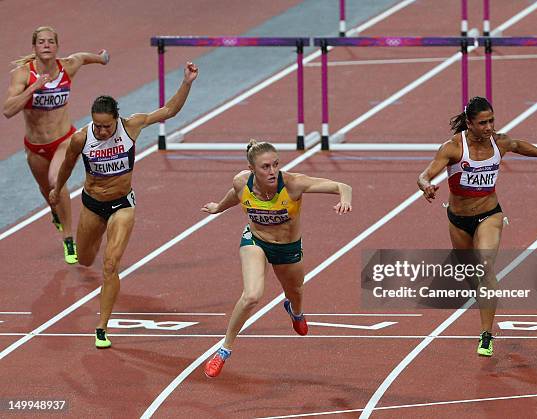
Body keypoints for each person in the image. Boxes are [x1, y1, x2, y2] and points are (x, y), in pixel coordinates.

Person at [49, 62, 199, 348]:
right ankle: (85, 257)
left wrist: (187, 83)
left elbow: (169, 111)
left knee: (110, 263)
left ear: (116, 119)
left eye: (107, 126)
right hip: (92, 204)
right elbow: (67, 167)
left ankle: (102, 327)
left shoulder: (132, 125)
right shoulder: (82, 138)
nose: (103, 131)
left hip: (122, 204)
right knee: (84, 258)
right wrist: (57, 191)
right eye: (98, 126)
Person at [417, 96, 537, 357]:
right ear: (470, 123)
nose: (489, 127)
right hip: (457, 219)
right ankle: (483, 297)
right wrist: (425, 186)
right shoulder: (453, 147)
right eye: (483, 123)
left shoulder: (499, 142)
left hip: (490, 214)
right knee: (471, 274)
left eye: (491, 121)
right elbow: (425, 174)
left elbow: (518, 145)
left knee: (485, 266)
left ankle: (486, 334)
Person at [201, 140, 352, 377]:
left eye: (275, 165)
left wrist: (345, 199)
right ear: (252, 169)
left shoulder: (293, 184)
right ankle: (224, 350)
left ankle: (296, 312)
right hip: (256, 241)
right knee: (251, 295)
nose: (272, 171)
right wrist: (218, 207)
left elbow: (342, 186)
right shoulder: (242, 181)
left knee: (295, 293)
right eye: (265, 167)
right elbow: (237, 194)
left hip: (287, 248)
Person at [3, 26, 110, 264]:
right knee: (48, 192)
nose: (46, 45)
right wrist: (33, 88)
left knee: (56, 182)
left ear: (57, 46)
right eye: (41, 42)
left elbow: (82, 58)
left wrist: (101, 59)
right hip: (35, 147)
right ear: (34, 47)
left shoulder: (66, 67)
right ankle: (55, 212)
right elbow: (8, 110)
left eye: (51, 41)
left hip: (64, 140)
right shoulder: (23, 75)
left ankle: (68, 239)